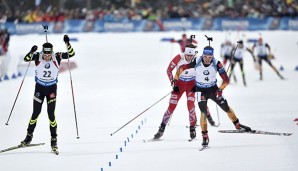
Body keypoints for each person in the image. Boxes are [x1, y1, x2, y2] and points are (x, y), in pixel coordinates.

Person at [176, 46, 252, 147]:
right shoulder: (196, 61)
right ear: (203, 55)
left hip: (213, 90)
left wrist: (220, 89)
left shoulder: (217, 63)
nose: (207, 59)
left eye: (210, 57)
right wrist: (175, 79)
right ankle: (205, 137)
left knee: (226, 107)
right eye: (205, 57)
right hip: (200, 91)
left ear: (212, 56)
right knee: (203, 113)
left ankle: (237, 125)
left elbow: (226, 80)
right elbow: (181, 68)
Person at [20, 35, 75, 153]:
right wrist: (31, 51)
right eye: (45, 54)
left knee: (51, 115)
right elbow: (26, 59)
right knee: (35, 113)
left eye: (48, 54)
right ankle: (28, 137)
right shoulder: (38, 56)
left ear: (52, 52)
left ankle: (54, 141)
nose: (46, 56)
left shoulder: (57, 56)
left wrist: (67, 43)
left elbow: (71, 54)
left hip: (51, 90)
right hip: (39, 89)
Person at [154, 44, 216, 140]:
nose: (189, 58)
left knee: (190, 105)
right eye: (187, 55)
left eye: (191, 56)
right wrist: (173, 83)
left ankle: (192, 129)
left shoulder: (198, 59)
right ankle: (161, 128)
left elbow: (209, 64)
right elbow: (169, 70)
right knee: (171, 107)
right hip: (179, 85)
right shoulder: (179, 57)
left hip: (191, 85)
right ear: (185, 53)